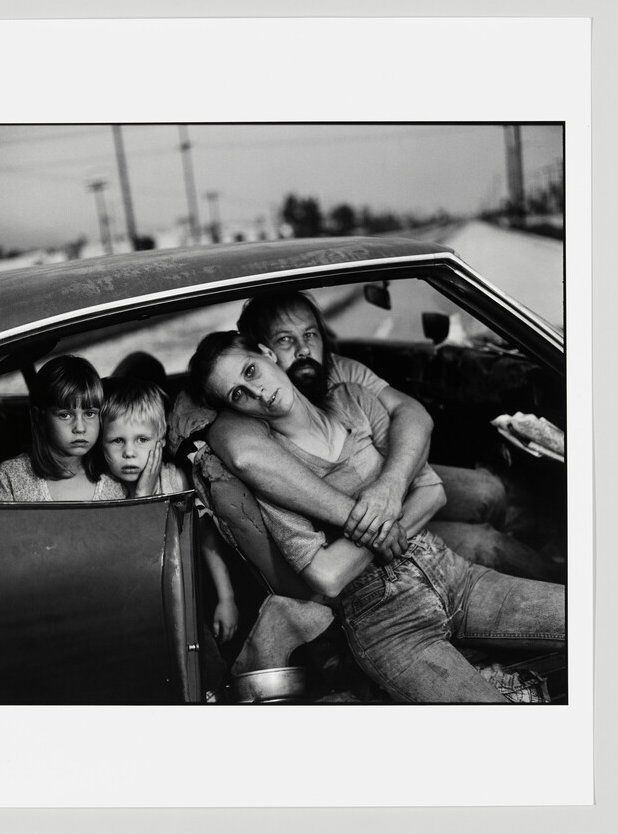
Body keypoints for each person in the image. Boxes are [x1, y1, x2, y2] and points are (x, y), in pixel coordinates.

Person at [188, 331, 565, 704]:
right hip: (384, 618)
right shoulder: (274, 474)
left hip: (451, 570)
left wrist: (386, 496)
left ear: (268, 354)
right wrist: (383, 528)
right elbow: (327, 576)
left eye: (251, 371)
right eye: (238, 394)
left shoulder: (353, 400)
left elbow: (433, 492)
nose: (256, 392)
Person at [203, 290, 559, 581]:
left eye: (310, 335)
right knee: (486, 545)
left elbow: (413, 413)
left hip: (393, 486)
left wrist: (391, 486)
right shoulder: (250, 401)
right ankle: (560, 578)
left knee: (488, 490)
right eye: (285, 340)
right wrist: (377, 525)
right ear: (263, 350)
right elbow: (240, 451)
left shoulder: (341, 371)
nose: (303, 350)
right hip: (357, 532)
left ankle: (518, 560)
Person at [100, 376, 239, 654]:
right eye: (117, 440)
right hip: (128, 612)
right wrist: (143, 494)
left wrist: (227, 597)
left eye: (142, 439)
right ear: (101, 444)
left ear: (161, 441)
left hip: (183, 604)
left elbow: (204, 538)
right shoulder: (103, 489)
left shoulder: (174, 479)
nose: (129, 452)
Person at [0, 356, 126, 502]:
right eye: (65, 415)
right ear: (40, 417)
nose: (80, 428)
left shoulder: (115, 475)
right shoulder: (12, 476)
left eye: (90, 414)